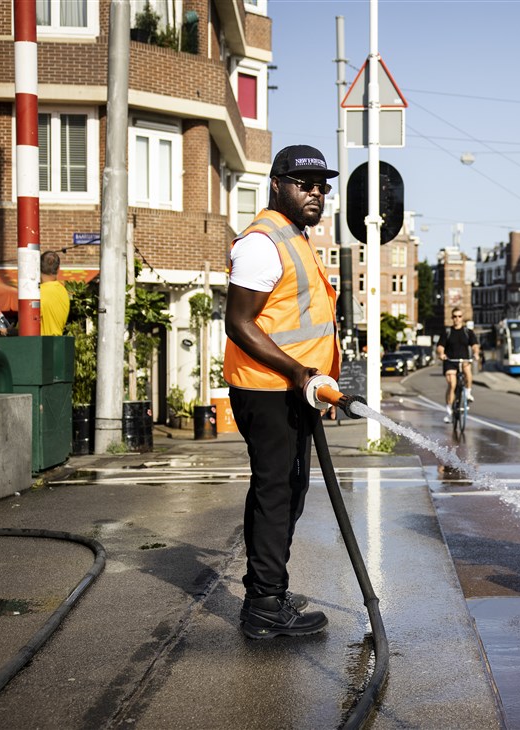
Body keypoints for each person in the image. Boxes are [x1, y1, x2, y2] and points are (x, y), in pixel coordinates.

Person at [223, 144, 365, 640]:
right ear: (277, 184)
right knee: (276, 491)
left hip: (292, 389)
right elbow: (239, 324)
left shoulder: (295, 238)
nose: (316, 194)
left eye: (322, 187)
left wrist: (311, 379)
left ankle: (270, 590)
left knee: (288, 489)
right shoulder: (264, 241)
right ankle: (263, 604)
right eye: (305, 184)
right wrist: (301, 373)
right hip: (267, 389)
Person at [436, 308, 480, 423]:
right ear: (452, 318)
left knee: (468, 373)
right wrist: (441, 354)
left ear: (462, 318)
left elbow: (475, 345)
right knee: (452, 384)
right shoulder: (447, 332)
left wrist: (476, 353)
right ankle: (449, 411)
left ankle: (468, 393)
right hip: (450, 361)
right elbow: (440, 346)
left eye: (459, 316)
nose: (457, 319)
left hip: (464, 360)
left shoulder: (468, 332)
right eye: (455, 316)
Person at [40, 250, 70, 336]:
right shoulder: (63, 291)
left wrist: (10, 331)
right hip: (58, 344)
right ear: (58, 269)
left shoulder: (36, 294)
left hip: (40, 345)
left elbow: (27, 326)